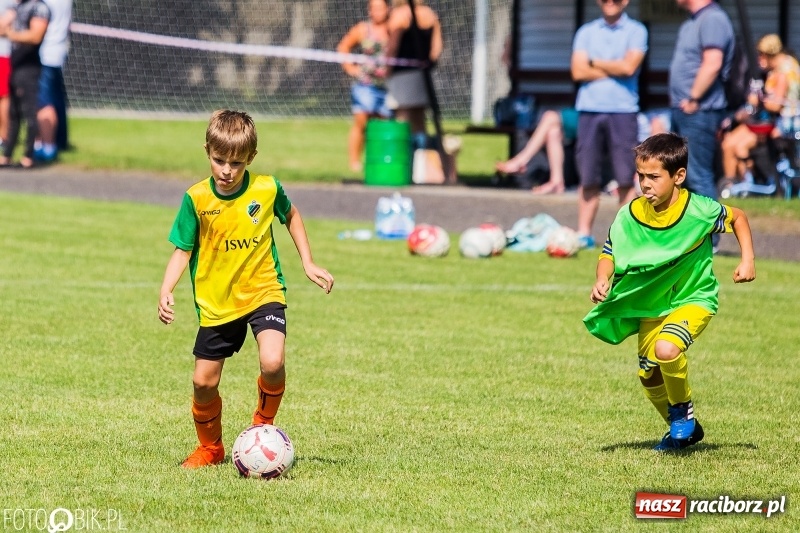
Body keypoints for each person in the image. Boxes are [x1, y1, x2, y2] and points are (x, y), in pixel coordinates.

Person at [157, 110, 335, 469]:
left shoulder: (266, 189)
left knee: (273, 361)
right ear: (207, 151)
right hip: (217, 302)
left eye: (236, 163)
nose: (226, 170)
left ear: (250, 158)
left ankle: (262, 426)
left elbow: (292, 216)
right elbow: (183, 248)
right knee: (203, 383)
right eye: (219, 160)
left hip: (263, 289)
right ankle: (211, 449)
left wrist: (308, 262)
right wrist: (166, 288)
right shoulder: (196, 199)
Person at [584, 132, 756, 451]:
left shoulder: (699, 210)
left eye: (653, 177)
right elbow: (609, 252)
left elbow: (738, 218)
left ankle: (682, 419)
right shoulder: (630, 215)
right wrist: (602, 278)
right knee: (649, 377)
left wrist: (747, 259)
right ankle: (683, 429)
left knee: (666, 350)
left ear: (678, 176)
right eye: (640, 176)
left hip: (694, 300)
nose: (645, 184)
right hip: (652, 307)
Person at [570, 0, 648, 249]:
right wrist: (614, 66)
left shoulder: (637, 31)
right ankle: (583, 233)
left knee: (625, 177)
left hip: (623, 111)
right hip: (589, 110)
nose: (610, 3)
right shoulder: (586, 32)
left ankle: (626, 237)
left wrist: (594, 62)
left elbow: (629, 67)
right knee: (588, 176)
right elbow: (577, 72)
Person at [669, 0, 734, 204]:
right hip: (685, 111)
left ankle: (709, 235)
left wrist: (694, 98)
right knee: (683, 177)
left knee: (698, 176)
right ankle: (692, 234)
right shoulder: (692, 21)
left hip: (700, 111)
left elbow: (713, 63)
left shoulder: (713, 18)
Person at [720, 34, 800, 182]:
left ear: (770, 54)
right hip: (779, 123)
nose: (759, 59)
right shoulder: (791, 64)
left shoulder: (782, 73)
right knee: (730, 142)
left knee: (734, 145)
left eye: (761, 55)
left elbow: (776, 105)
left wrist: (758, 99)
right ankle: (737, 183)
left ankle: (736, 185)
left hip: (778, 125)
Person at [337, 0, 392, 173]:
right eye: (373, 8)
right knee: (361, 122)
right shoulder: (362, 29)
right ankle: (355, 162)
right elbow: (343, 46)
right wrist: (350, 68)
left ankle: (379, 161)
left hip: (389, 86)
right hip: (365, 85)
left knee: (384, 124)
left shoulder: (394, 28)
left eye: (380, 8)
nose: (376, 12)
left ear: (387, 9)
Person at [384, 0, 443, 151]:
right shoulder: (430, 15)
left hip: (402, 75)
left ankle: (403, 161)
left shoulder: (400, 15)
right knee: (419, 121)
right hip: (423, 74)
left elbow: (393, 46)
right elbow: (437, 48)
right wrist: (427, 66)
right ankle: (420, 163)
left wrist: (387, 70)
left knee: (402, 119)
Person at [0, 0, 50, 169]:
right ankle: (7, 155)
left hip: (29, 67)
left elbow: (35, 36)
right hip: (16, 65)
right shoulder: (17, 7)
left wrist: (10, 34)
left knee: (29, 112)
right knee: (13, 112)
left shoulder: (39, 8)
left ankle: (28, 156)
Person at [495, 109, 570, 195]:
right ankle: (557, 182)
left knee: (550, 117)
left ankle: (521, 160)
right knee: (553, 132)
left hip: (586, 114)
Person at [34, 0, 71, 162]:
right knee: (56, 101)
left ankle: (46, 146)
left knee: (43, 103)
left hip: (45, 54)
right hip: (57, 53)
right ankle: (59, 141)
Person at [0, 0, 12, 151]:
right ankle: (4, 136)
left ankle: (4, 135)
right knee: (4, 97)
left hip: (5, 53)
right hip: (3, 54)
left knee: (4, 96)